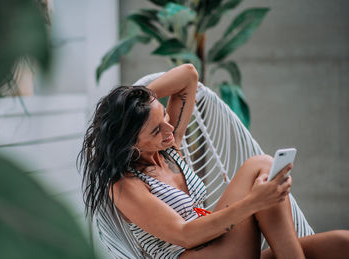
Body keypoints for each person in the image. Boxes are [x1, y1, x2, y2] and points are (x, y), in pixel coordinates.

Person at [80, 64, 349, 258]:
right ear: (130, 144)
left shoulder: (169, 149)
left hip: (224, 245)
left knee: (340, 243)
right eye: (155, 130)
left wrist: (131, 105)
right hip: (194, 253)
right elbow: (184, 234)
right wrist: (254, 202)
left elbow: (188, 75)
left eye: (163, 114)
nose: (168, 128)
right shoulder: (125, 186)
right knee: (260, 167)